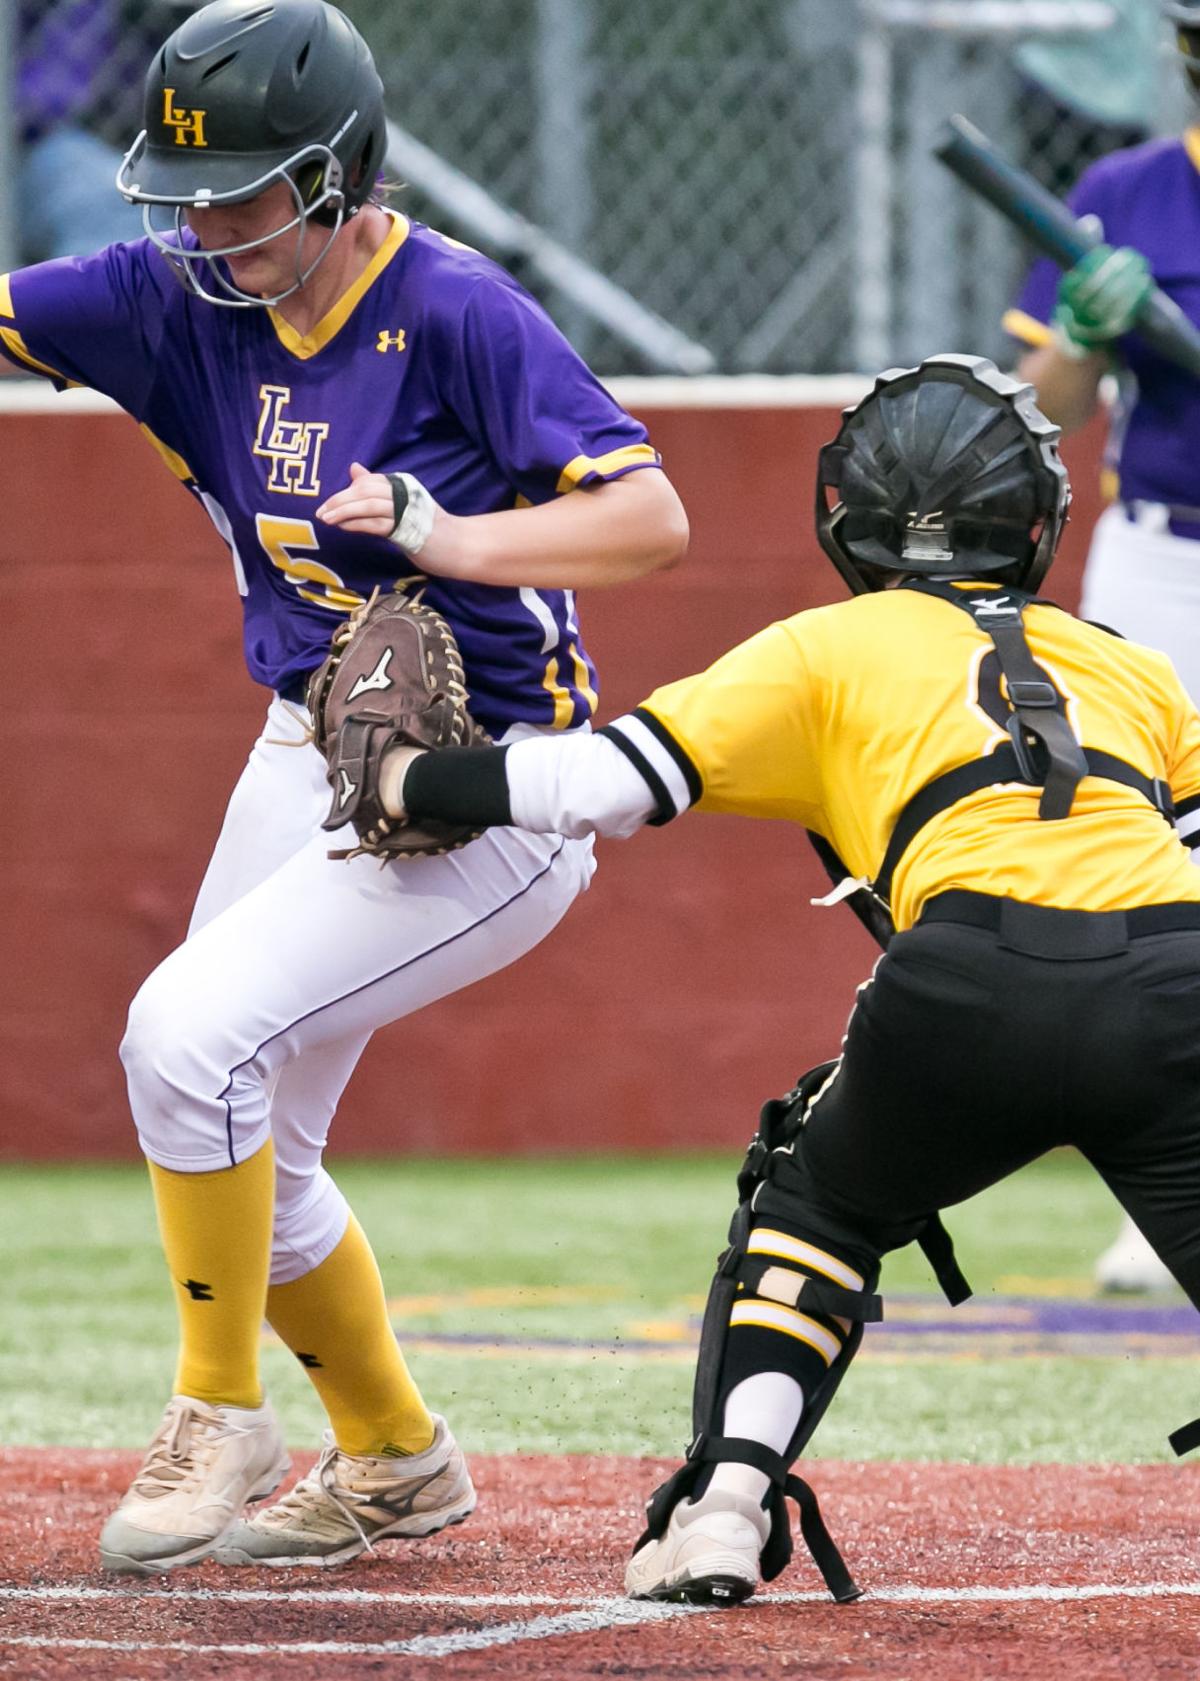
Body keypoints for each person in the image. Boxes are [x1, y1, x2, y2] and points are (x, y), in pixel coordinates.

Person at [1, 0, 687, 1574]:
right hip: (308, 743)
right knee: (236, 1121)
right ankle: (394, 1462)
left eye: (251, 188)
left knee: (184, 1035)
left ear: (341, 171)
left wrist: (452, 540)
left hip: (492, 791)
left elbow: (650, 520)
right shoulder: (171, 298)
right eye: (192, 189)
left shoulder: (451, 309)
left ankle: (220, 1404)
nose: (214, 224)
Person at [375, 354, 1200, 1605]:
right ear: (1038, 524)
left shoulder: (827, 644)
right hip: (1175, 977)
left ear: (844, 515)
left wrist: (412, 784)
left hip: (966, 979)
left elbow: (603, 785)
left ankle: (726, 1504)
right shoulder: (1129, 665)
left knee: (814, 1211)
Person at [1002, 0, 1200, 1294]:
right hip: (1161, 553)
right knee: (1152, 861)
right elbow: (1044, 402)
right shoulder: (1124, 188)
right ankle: (1167, 1185)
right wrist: (1088, 321)